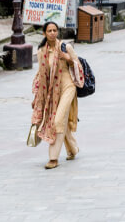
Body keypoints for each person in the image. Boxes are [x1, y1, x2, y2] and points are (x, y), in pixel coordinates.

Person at [31, 21, 84, 169]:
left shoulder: (65, 47)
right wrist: (37, 97)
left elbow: (78, 66)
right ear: (44, 33)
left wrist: (68, 58)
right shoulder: (42, 52)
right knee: (63, 123)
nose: (53, 33)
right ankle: (73, 149)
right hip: (52, 92)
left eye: (55, 30)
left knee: (57, 120)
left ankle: (53, 158)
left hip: (68, 87)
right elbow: (40, 75)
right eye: (50, 31)